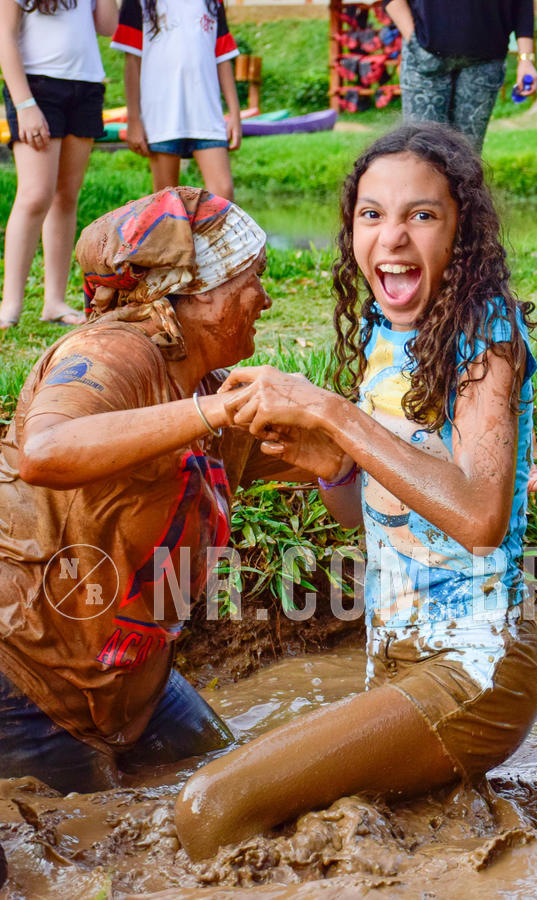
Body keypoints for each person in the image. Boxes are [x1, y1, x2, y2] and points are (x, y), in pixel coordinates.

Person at [174, 122, 537, 861]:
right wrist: (332, 464)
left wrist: (333, 414)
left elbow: (478, 516)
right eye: (372, 215)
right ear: (351, 233)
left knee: (205, 809)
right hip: (399, 661)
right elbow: (364, 513)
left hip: (473, 668)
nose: (393, 237)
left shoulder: (484, 333)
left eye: (422, 214)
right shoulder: (386, 332)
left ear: (460, 231)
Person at [0, 187, 311, 794]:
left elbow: (306, 457)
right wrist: (214, 412)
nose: (267, 299)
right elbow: (45, 451)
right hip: (28, 676)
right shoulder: (110, 353)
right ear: (190, 295)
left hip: (130, 677)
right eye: (253, 280)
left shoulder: (202, 381)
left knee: (233, 790)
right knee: (86, 848)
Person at [0, 0, 119, 330]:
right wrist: (24, 105)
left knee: (66, 197)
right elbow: (4, 36)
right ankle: (10, 304)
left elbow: (107, 25)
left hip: (86, 85)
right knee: (36, 194)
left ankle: (53, 302)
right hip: (38, 88)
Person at [111, 0, 241, 199]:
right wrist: (134, 119)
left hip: (206, 113)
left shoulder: (213, 2)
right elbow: (132, 62)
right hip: (162, 116)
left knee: (224, 195)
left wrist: (235, 114)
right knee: (167, 205)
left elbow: (222, 57)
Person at [382, 0, 537, 152]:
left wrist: (526, 59)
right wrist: (413, 39)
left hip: (484, 62)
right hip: (425, 55)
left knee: (467, 159)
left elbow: (522, 5)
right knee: (422, 154)